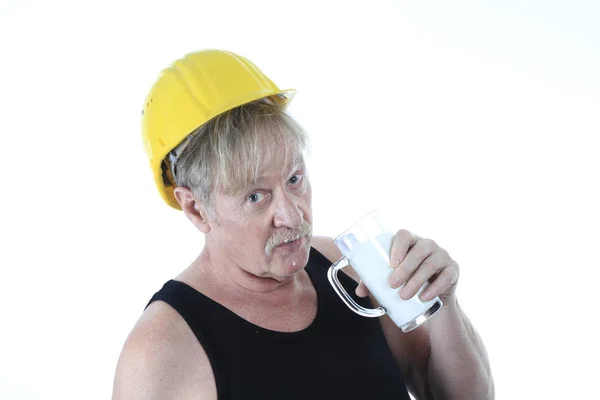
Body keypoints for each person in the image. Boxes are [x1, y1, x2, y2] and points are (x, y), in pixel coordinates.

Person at [112, 49, 494, 400]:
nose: (293, 216)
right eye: (255, 197)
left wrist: (443, 303)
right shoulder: (160, 350)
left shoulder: (348, 266)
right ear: (196, 209)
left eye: (294, 179)